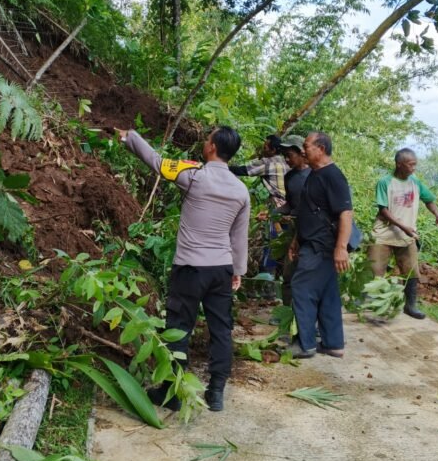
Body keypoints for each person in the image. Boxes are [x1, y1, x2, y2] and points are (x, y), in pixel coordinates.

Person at [116, 126, 250, 412]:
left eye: (208, 138)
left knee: (178, 327)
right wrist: (237, 271)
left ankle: (172, 392)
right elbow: (239, 236)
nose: (205, 142)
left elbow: (156, 162)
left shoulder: (194, 177)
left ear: (213, 147)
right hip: (221, 269)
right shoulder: (241, 190)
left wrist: (130, 137)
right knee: (221, 329)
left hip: (190, 267)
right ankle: (216, 392)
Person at [288, 132, 352, 359]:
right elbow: (309, 211)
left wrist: (341, 248)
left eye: (306, 146)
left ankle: (305, 344)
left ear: (321, 149)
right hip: (312, 242)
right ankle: (333, 343)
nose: (303, 150)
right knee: (328, 293)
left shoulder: (333, 176)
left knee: (301, 288)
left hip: (321, 246)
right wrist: (297, 239)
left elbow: (345, 213)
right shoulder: (315, 174)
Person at [368, 148, 438, 319]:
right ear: (399, 164)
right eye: (410, 164)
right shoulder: (385, 182)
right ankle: (376, 304)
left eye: (415, 164)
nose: (414, 168)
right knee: (375, 270)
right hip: (383, 234)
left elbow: (429, 200)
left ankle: (410, 305)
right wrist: (403, 226)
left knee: (411, 271)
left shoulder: (415, 182)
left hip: (407, 235)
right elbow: (383, 210)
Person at [230, 135, 289, 297]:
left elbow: (244, 170)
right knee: (285, 245)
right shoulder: (287, 162)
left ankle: (268, 288)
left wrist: (220, 167)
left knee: (272, 245)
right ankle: (282, 287)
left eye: (266, 147)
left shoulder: (269, 163)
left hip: (279, 210)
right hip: (291, 210)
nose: (263, 150)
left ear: (273, 150)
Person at [277, 135, 311, 307]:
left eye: (289, 155)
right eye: (284, 156)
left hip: (312, 232)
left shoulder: (315, 175)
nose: (286, 159)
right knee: (289, 273)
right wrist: (273, 212)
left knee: (309, 276)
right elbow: (290, 204)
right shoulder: (289, 177)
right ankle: (287, 311)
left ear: (301, 153)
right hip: (294, 230)